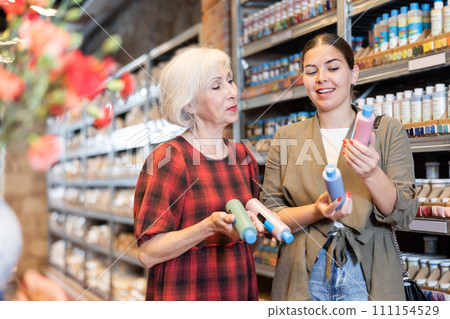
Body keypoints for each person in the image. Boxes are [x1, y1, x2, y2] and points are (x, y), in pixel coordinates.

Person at [262, 33, 418, 301]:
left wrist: (371, 173)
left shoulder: (386, 131)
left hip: (371, 272)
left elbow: (402, 214)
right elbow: (270, 217)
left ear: (353, 73)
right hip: (303, 273)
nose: (322, 77)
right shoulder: (286, 137)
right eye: (311, 72)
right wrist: (315, 211)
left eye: (333, 68)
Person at [133, 47, 265, 301]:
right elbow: (148, 253)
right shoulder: (168, 160)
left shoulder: (242, 157)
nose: (231, 92)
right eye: (216, 87)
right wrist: (207, 227)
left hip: (238, 292)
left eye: (229, 80)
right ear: (189, 104)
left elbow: (249, 238)